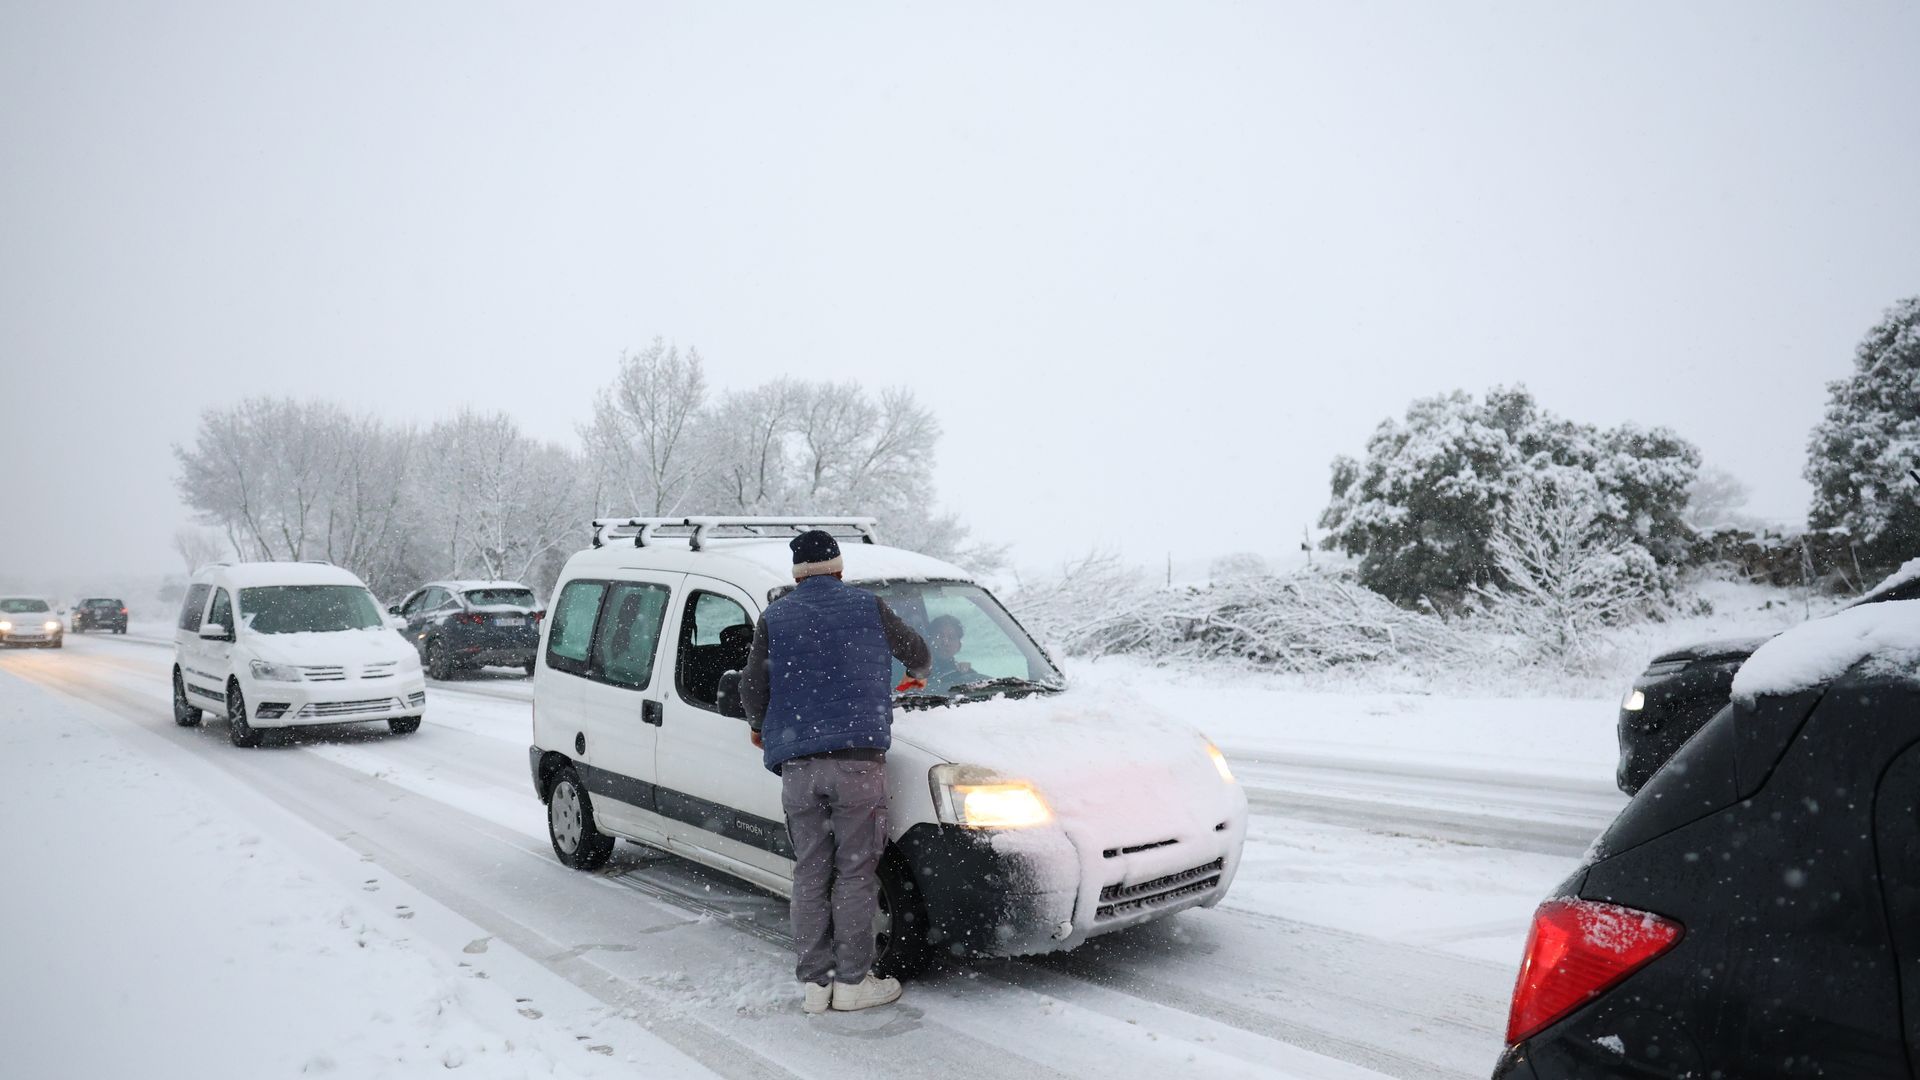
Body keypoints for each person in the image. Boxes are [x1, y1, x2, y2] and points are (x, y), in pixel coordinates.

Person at [741, 529, 931, 1014]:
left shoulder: (775, 616)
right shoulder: (868, 607)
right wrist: (918, 674)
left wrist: (760, 727)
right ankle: (852, 983)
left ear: (796, 575)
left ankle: (815, 985)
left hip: (799, 767)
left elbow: (752, 686)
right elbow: (918, 652)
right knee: (855, 874)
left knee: (809, 872)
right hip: (857, 764)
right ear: (840, 569)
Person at [927, 613, 981, 689]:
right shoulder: (914, 670)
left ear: (959, 646)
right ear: (929, 640)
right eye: (940, 636)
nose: (945, 642)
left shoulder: (964, 674)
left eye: (951, 638)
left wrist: (968, 674)